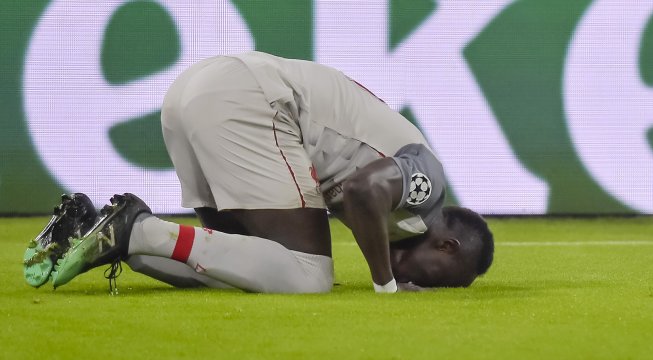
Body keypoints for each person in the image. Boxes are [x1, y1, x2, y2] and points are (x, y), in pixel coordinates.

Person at [24, 51, 494, 294]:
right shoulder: (427, 184)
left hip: (194, 93)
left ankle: (95, 230)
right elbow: (363, 188)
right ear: (447, 245)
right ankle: (138, 228)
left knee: (235, 267)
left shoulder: (399, 218)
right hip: (251, 99)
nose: (427, 285)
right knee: (310, 276)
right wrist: (386, 286)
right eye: (443, 278)